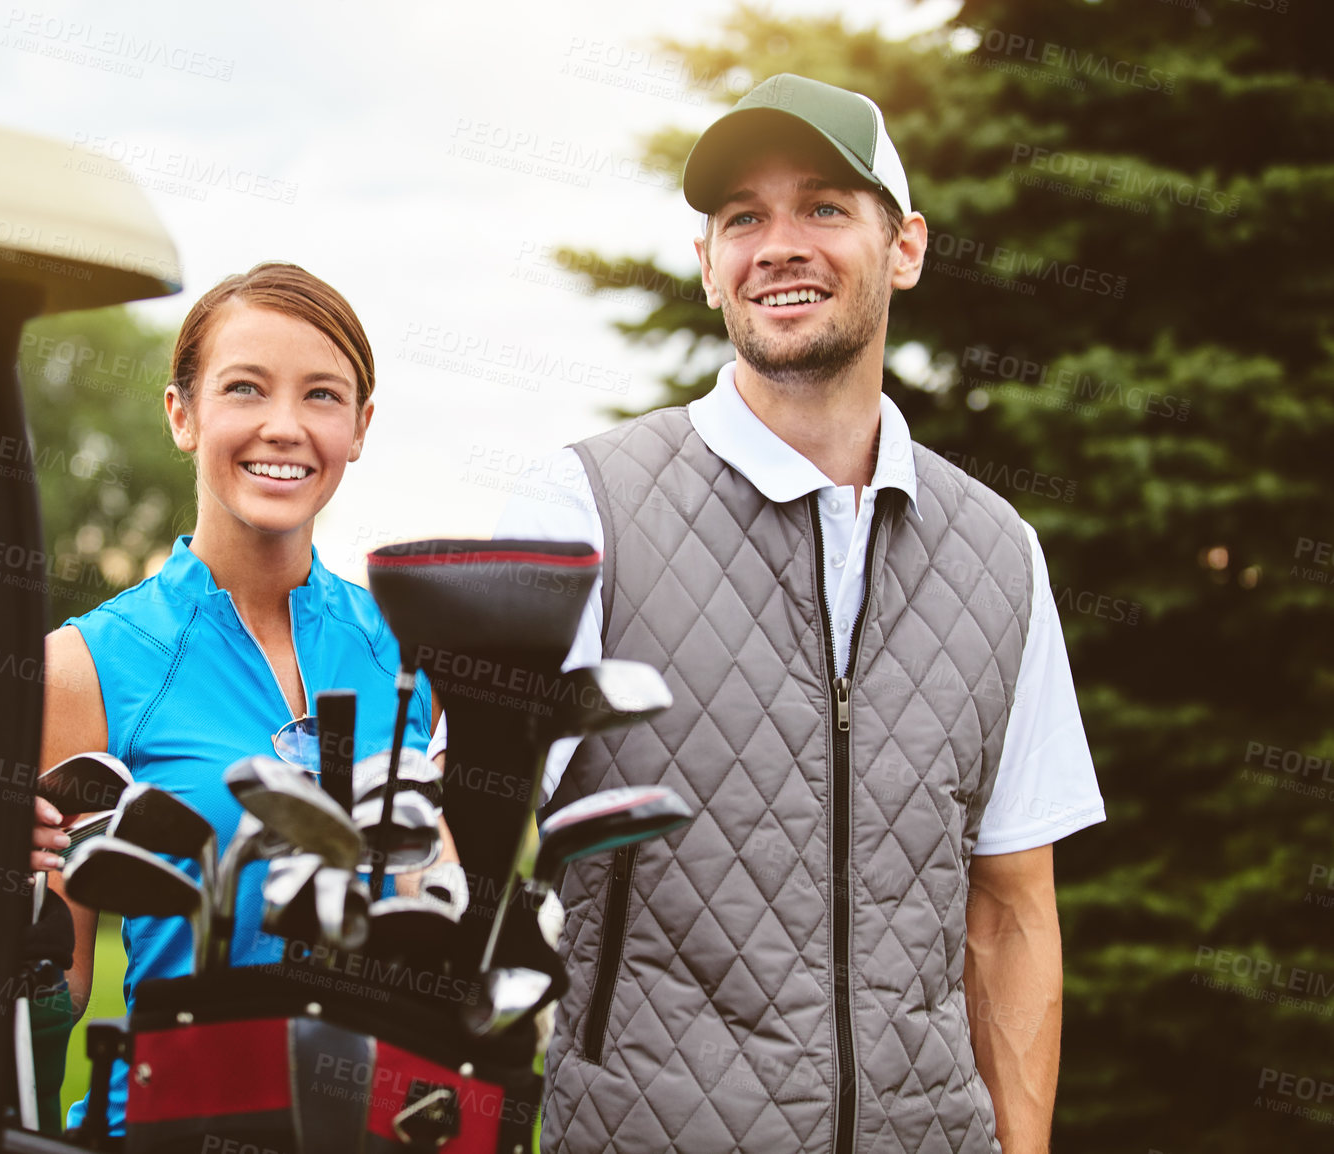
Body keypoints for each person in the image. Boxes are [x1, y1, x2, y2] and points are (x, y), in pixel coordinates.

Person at [431, 74, 1106, 1153]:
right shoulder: (585, 506)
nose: (777, 244)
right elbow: (456, 835)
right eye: (742, 216)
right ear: (708, 265)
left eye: (824, 208)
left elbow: (1012, 909)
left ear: (906, 248)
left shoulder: (1000, 553)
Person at [28, 262, 435, 1133]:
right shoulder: (80, 666)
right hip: (165, 1131)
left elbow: (434, 921)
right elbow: (52, 981)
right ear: (184, 413)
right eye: (244, 388)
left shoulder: (409, 659)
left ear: (359, 427)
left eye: (322, 396)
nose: (284, 427)